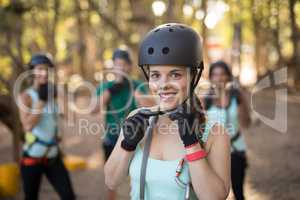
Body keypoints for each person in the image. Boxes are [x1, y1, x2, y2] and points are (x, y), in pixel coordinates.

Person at [104, 23, 231, 200]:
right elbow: (111, 181)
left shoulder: (215, 132)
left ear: (194, 76)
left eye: (175, 74)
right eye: (155, 75)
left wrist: (192, 143)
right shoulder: (137, 118)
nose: (163, 84)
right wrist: (128, 145)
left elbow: (214, 197)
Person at [94, 48, 152, 200]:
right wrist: (111, 91)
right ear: (113, 66)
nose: (121, 68)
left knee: (137, 176)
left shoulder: (137, 85)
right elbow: (93, 109)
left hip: (135, 138)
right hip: (111, 137)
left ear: (130, 67)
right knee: (112, 178)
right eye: (117, 64)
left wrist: (135, 93)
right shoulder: (106, 87)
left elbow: (148, 107)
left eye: (124, 64)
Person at [18, 53, 75, 200]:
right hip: (32, 158)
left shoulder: (54, 93)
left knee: (68, 196)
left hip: (53, 157)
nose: (43, 73)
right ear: (32, 71)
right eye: (39, 69)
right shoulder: (26, 96)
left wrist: (61, 95)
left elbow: (72, 119)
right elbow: (27, 126)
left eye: (47, 69)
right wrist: (41, 101)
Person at [203, 61, 251, 200]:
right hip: (213, 151)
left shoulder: (237, 96)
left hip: (236, 148)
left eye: (223, 74)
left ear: (229, 77)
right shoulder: (205, 100)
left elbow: (246, 123)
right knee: (215, 193)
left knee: (238, 192)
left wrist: (241, 100)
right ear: (210, 78)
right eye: (215, 74)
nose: (219, 78)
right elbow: (202, 128)